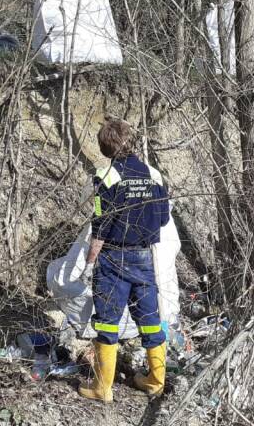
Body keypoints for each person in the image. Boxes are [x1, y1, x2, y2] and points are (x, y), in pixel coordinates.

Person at [79, 119, 170, 403]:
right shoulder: (154, 175)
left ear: (105, 147)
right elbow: (164, 218)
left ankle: (102, 388)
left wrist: (90, 263)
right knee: (150, 321)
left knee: (107, 323)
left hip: (113, 259)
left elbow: (100, 223)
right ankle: (156, 381)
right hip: (144, 257)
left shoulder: (105, 176)